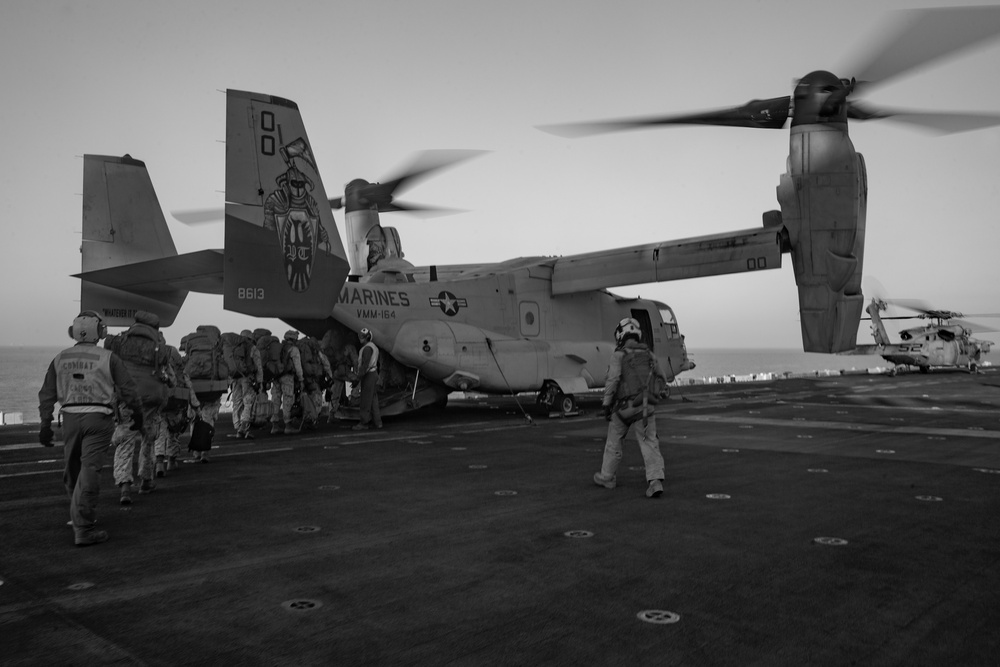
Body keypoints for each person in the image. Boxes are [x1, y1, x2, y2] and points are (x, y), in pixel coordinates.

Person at [38, 311, 142, 546]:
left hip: (70, 418)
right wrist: (137, 415)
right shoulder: (109, 358)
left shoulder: (60, 358)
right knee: (89, 470)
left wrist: (45, 423)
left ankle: (77, 516)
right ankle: (83, 528)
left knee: (72, 468)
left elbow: (47, 395)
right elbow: (128, 390)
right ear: (101, 332)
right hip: (99, 418)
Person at [593, 317, 668, 498]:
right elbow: (663, 378)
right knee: (649, 441)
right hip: (647, 405)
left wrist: (606, 405)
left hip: (625, 407)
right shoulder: (649, 355)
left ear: (621, 335)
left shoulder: (619, 355)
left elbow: (612, 381)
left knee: (614, 438)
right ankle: (655, 481)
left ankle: (607, 477)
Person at [106, 311, 174, 500]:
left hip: (127, 398)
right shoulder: (159, 345)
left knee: (125, 441)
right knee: (148, 439)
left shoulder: (122, 342)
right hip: (152, 400)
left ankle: (125, 486)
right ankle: (146, 481)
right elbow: (169, 376)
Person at [229, 329, 264, 439]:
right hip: (247, 378)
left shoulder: (234, 348)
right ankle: (243, 428)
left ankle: (237, 427)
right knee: (248, 402)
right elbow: (258, 367)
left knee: (237, 402)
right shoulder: (253, 349)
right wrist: (260, 382)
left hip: (235, 378)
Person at [271, 330, 305, 435]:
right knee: (288, 400)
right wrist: (301, 379)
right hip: (287, 377)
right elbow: (298, 366)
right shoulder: (293, 349)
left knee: (276, 400)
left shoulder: (278, 348)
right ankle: (288, 425)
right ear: (294, 339)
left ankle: (275, 426)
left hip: (276, 377)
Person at [353, 327, 383, 431]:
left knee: (365, 400)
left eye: (362, 336)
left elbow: (365, 365)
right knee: (373, 399)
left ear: (367, 337)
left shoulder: (367, 349)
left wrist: (358, 378)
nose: (360, 338)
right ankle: (378, 422)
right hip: (373, 374)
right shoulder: (373, 346)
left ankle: (364, 422)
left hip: (368, 376)